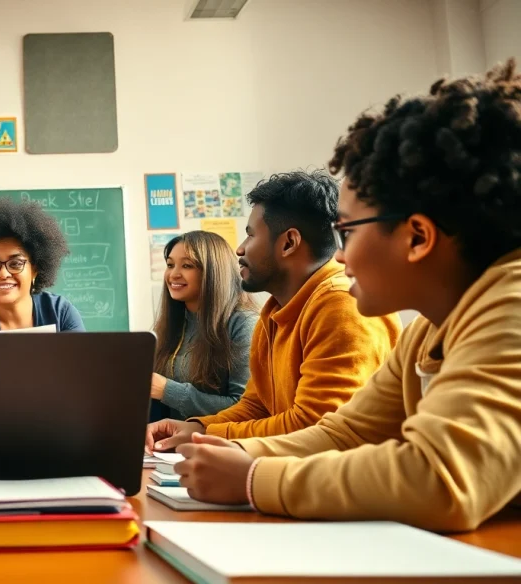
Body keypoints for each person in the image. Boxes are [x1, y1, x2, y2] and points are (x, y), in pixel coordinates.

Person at [167, 61, 521, 532]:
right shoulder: (428, 332)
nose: (340, 256)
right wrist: (233, 450)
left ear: (417, 236)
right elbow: (346, 431)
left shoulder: (511, 303)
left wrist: (255, 478)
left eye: (348, 232)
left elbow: (443, 480)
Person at [147, 171, 401, 450]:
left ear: (288, 243)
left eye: (251, 235)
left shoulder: (340, 305)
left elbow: (315, 428)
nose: (240, 249)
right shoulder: (276, 311)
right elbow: (257, 406)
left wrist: (213, 436)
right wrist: (198, 427)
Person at [148, 231, 258, 422]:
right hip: (170, 445)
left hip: (221, 444)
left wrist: (167, 390)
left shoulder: (243, 324)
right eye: (170, 265)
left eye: (187, 265)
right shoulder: (173, 324)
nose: (174, 274)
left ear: (214, 272)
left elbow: (244, 408)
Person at [0, 197, 84, 332]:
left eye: (15, 264)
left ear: (35, 269)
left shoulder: (61, 314)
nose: (3, 274)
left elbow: (82, 354)